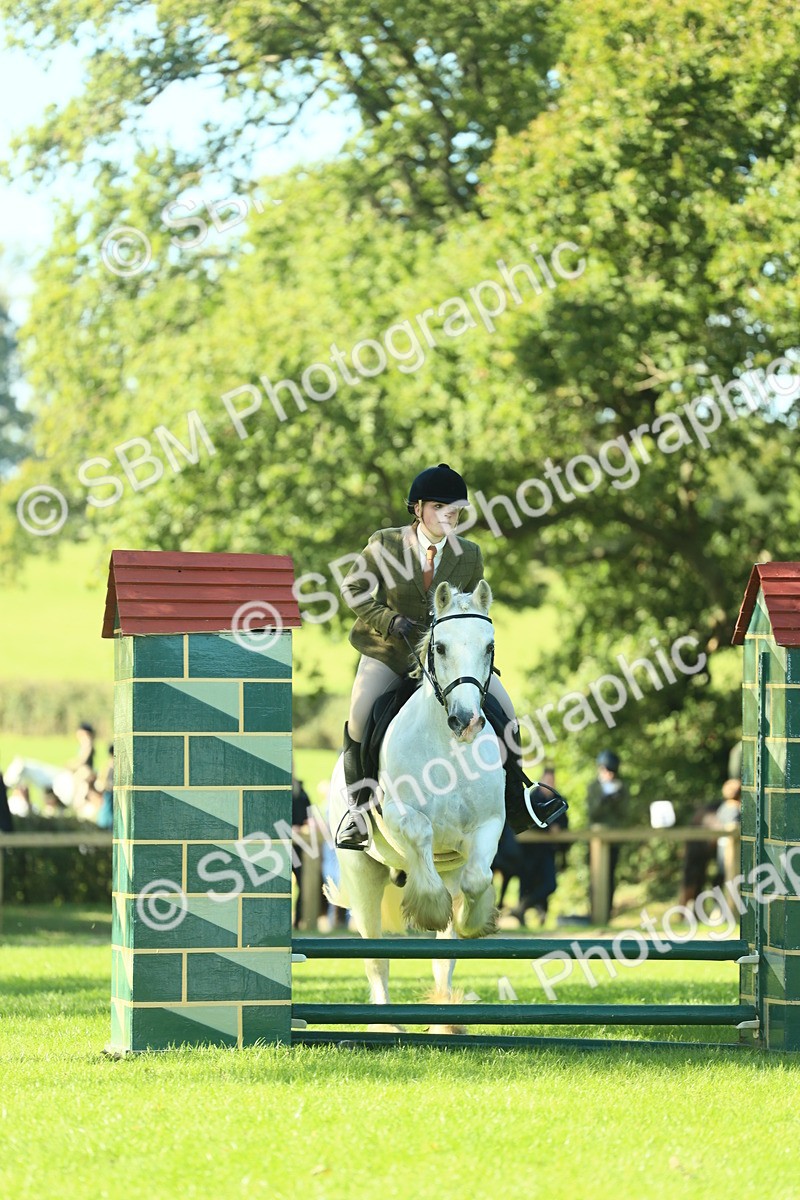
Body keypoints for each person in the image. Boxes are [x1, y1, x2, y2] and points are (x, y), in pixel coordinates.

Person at [334, 462, 566, 850]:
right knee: (359, 718)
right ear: (419, 507)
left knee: (505, 711)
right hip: (389, 652)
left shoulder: (470, 554)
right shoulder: (385, 544)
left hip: (452, 663)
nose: (449, 516)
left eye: (455, 511)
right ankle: (358, 813)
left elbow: (474, 612)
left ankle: (516, 799)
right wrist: (390, 621)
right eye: (441, 508)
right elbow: (353, 588)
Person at [508, 767, 569, 926]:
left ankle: (526, 908)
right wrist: (550, 828)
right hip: (528, 852)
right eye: (547, 780)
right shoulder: (531, 797)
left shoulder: (558, 799)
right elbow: (529, 821)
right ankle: (522, 915)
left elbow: (564, 822)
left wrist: (558, 829)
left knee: (550, 884)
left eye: (552, 781)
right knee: (525, 885)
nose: (550, 783)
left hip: (547, 851)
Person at [586, 749, 629, 914]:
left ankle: (608, 910)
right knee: (595, 877)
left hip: (613, 838)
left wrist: (615, 799)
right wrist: (603, 799)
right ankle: (593, 911)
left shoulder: (621, 787)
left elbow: (624, 814)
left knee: (610, 875)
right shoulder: (593, 787)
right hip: (595, 838)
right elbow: (592, 814)